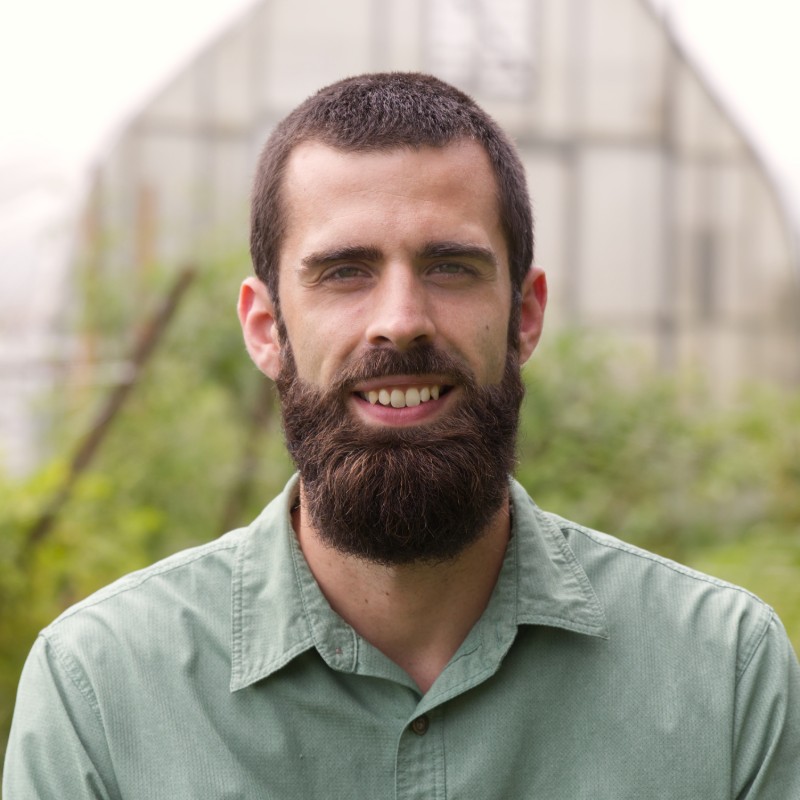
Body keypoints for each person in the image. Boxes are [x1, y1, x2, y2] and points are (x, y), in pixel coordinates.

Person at [4, 72, 800, 799]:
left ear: (525, 315)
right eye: (344, 271)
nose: (400, 321)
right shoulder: (102, 691)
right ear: (265, 327)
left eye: (450, 267)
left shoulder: (723, 675)